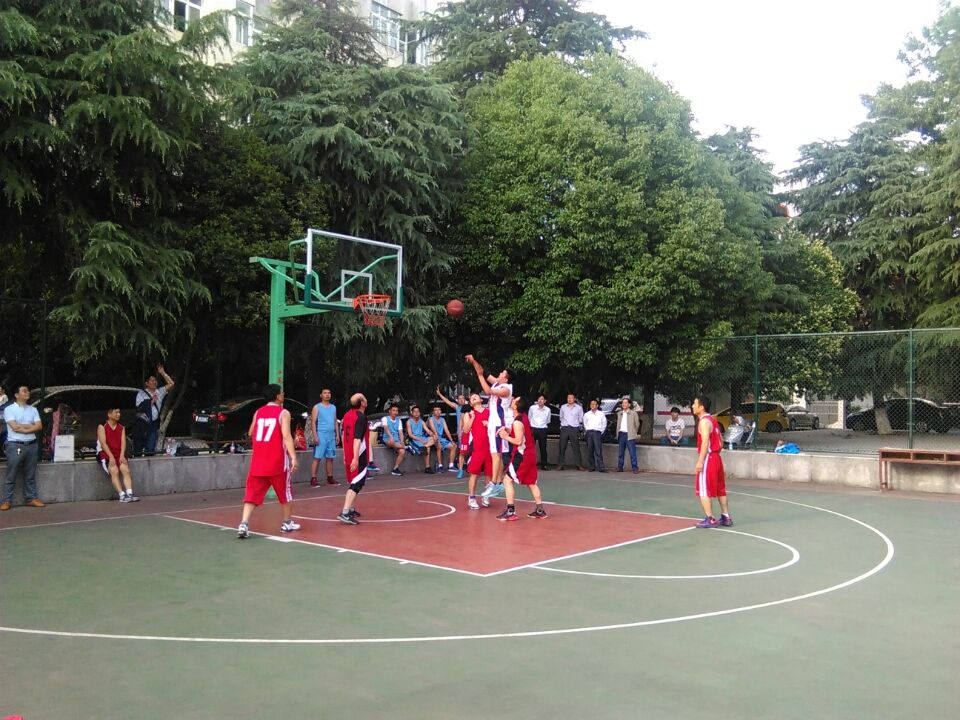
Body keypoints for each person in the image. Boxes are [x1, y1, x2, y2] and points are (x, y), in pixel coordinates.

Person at [236, 384, 300, 538]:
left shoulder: (258, 412)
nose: (283, 394)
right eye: (282, 393)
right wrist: (293, 457)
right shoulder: (283, 412)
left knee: (251, 494)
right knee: (285, 493)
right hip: (277, 461)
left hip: (258, 461)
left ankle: (244, 523)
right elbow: (286, 435)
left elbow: (251, 432)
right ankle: (287, 522)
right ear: (278, 396)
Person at [465, 354, 513, 485]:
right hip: (493, 423)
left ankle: (494, 483)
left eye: (503, 373)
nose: (500, 373)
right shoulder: (497, 383)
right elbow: (483, 371)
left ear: (505, 378)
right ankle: (498, 482)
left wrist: (480, 376)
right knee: (496, 453)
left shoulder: (506, 389)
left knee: (496, 454)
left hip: (499, 423)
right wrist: (474, 361)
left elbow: (487, 390)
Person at [498, 396, 548, 520]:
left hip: (522, 455)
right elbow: (521, 433)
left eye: (515, 400)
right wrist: (508, 430)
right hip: (530, 454)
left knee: (507, 480)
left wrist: (505, 437)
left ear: (516, 406)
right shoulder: (523, 417)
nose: (512, 400)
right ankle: (540, 510)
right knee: (531, 482)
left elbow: (518, 441)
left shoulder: (517, 421)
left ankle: (510, 511)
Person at [692, 395, 733, 528]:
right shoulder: (713, 420)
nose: (693, 406)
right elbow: (721, 441)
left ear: (701, 407)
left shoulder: (704, 422)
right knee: (720, 489)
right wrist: (715, 453)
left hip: (708, 458)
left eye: (695, 404)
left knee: (704, 489)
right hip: (716, 458)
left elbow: (705, 442)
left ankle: (710, 518)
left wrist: (700, 461)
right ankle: (726, 516)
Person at [1, 385, 45, 510]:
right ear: (16, 395)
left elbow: (39, 426)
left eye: (27, 390)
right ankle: (6, 500)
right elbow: (14, 427)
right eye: (24, 391)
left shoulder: (33, 409)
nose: (27, 392)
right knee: (11, 474)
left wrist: (24, 428)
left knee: (30, 474)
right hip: (15, 444)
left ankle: (31, 498)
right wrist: (30, 427)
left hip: (32, 444)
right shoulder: (9, 409)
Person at [337, 393, 371, 525]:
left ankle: (350, 508)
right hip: (358, 453)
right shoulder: (361, 417)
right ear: (362, 403)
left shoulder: (346, 415)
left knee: (354, 480)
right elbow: (357, 438)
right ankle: (345, 512)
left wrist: (345, 454)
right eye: (364, 398)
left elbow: (344, 435)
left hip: (349, 452)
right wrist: (356, 458)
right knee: (357, 483)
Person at [96, 408, 139, 502]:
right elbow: (103, 444)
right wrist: (111, 457)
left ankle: (130, 493)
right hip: (105, 453)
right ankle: (122, 495)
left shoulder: (121, 427)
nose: (118, 414)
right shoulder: (102, 426)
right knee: (114, 470)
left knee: (125, 469)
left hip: (118, 453)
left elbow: (123, 442)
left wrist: (122, 455)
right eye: (116, 412)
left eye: (119, 412)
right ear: (109, 414)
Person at [134, 364, 175, 455]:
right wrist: (150, 402)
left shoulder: (159, 392)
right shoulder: (141, 394)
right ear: (147, 383)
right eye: (152, 380)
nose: (154, 382)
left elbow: (172, 384)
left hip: (153, 424)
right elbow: (139, 407)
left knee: (150, 448)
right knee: (138, 447)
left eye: (155, 380)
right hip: (143, 423)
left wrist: (162, 373)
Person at [461, 393, 493, 510]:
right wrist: (473, 418)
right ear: (470, 403)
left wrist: (489, 425)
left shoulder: (489, 412)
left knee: (489, 474)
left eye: (476, 396)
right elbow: (465, 430)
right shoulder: (468, 414)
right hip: (477, 449)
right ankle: (471, 498)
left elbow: (496, 427)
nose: (474, 398)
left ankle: (486, 496)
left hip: (490, 447)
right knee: (474, 473)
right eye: (471, 398)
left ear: (481, 399)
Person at [308, 388, 339, 486]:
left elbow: (335, 421)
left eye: (329, 393)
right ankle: (313, 478)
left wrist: (337, 434)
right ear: (321, 395)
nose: (327, 395)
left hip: (331, 436)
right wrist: (315, 436)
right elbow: (313, 422)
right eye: (325, 393)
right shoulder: (317, 407)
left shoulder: (333, 407)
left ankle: (330, 477)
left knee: (330, 458)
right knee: (317, 457)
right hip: (321, 435)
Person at [436, 386, 468, 476]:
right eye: (459, 398)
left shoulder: (469, 407)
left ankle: (464, 463)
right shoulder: (457, 407)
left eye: (462, 398)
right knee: (461, 448)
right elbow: (447, 401)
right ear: (457, 400)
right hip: (460, 431)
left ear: (465, 400)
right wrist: (439, 394)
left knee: (468, 448)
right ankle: (462, 464)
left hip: (469, 430)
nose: (461, 400)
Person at [405, 405, 437, 473]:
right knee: (428, 448)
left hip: (422, 438)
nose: (416, 413)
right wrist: (420, 440)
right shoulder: (409, 422)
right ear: (412, 413)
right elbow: (410, 435)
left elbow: (428, 431)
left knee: (435, 438)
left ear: (419, 413)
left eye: (418, 411)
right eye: (415, 411)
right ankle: (427, 467)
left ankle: (425, 446)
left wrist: (433, 435)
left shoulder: (421, 421)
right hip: (414, 440)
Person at [557, 393, 585, 471]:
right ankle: (560, 464)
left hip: (574, 428)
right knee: (562, 447)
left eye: (571, 398)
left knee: (576, 447)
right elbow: (561, 417)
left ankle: (579, 464)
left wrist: (576, 425)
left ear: (574, 399)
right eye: (568, 397)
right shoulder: (563, 407)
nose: (569, 399)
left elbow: (581, 418)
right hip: (565, 428)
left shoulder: (578, 408)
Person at [615, 397, 641, 473]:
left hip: (630, 435)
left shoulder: (633, 413)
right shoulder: (619, 413)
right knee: (621, 453)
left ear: (629, 404)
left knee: (632, 453)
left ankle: (635, 468)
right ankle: (620, 467)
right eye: (623, 403)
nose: (624, 404)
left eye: (626, 403)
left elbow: (637, 424)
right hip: (621, 434)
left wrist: (633, 432)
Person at [381, 403, 407, 476]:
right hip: (387, 439)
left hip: (397, 440)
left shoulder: (399, 421)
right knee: (391, 442)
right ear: (390, 411)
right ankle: (406, 447)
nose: (395, 412)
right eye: (393, 410)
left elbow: (400, 432)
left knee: (402, 451)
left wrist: (402, 441)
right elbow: (386, 428)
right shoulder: (385, 418)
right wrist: (391, 436)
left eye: (396, 411)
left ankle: (395, 469)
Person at [429, 405, 457, 472]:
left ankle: (451, 465)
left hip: (441, 438)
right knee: (439, 446)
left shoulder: (442, 419)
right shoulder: (431, 419)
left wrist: (451, 440)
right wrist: (438, 441)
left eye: (439, 410)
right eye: (436, 410)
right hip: (433, 438)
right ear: (433, 412)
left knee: (454, 446)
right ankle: (440, 466)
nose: (438, 411)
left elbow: (446, 430)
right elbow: (433, 430)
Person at [527, 394, 552, 470]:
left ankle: (544, 465)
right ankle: (530, 464)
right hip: (533, 428)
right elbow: (529, 417)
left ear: (545, 401)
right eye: (539, 399)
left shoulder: (548, 410)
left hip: (543, 429)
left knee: (543, 447)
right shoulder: (532, 408)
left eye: (542, 399)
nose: (540, 401)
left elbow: (548, 420)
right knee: (531, 447)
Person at [583, 398, 608, 472]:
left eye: (594, 404)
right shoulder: (587, 414)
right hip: (589, 432)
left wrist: (600, 432)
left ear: (597, 406)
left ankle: (601, 467)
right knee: (590, 450)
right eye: (591, 404)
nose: (592, 405)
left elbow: (604, 423)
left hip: (597, 433)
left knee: (598, 450)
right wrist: (587, 431)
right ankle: (591, 466)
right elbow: (585, 423)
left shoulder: (601, 414)